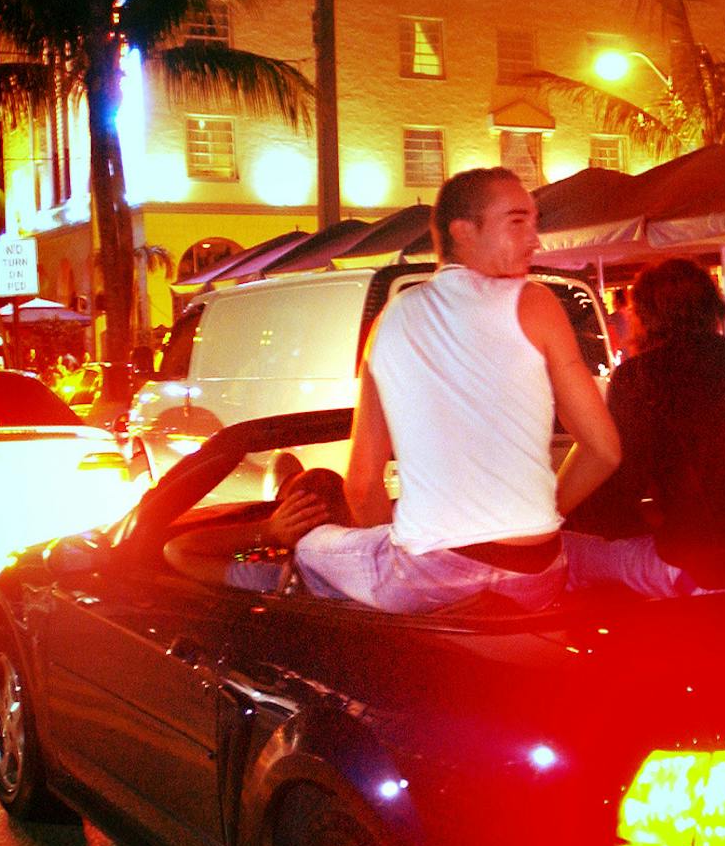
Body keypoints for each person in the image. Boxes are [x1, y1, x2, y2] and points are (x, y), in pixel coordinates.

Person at [199, 167, 622, 613]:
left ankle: (280, 587)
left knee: (309, 545)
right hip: (538, 575)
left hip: (431, 583)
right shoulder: (538, 304)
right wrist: (535, 515)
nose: (535, 239)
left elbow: (362, 489)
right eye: (518, 222)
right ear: (464, 232)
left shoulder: (390, 322)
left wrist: (401, 546)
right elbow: (604, 451)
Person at [564, 260, 725, 596]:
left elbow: (613, 496)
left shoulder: (643, 376)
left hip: (718, 572)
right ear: (713, 308)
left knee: (568, 550)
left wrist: (564, 512)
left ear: (642, 316)